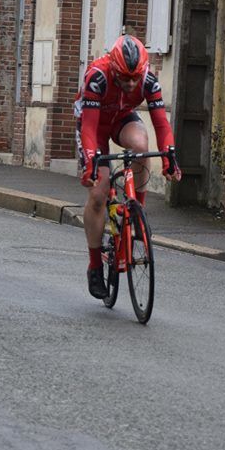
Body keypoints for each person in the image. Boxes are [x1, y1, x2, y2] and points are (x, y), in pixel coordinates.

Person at [75, 35, 182, 300]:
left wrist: (170, 157)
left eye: (135, 77)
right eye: (124, 77)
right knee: (99, 193)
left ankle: (137, 211)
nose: (131, 83)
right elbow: (88, 128)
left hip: (121, 118)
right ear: (113, 68)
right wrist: (90, 163)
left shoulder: (148, 79)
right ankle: (95, 265)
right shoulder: (97, 77)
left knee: (141, 145)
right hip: (94, 125)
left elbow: (161, 125)